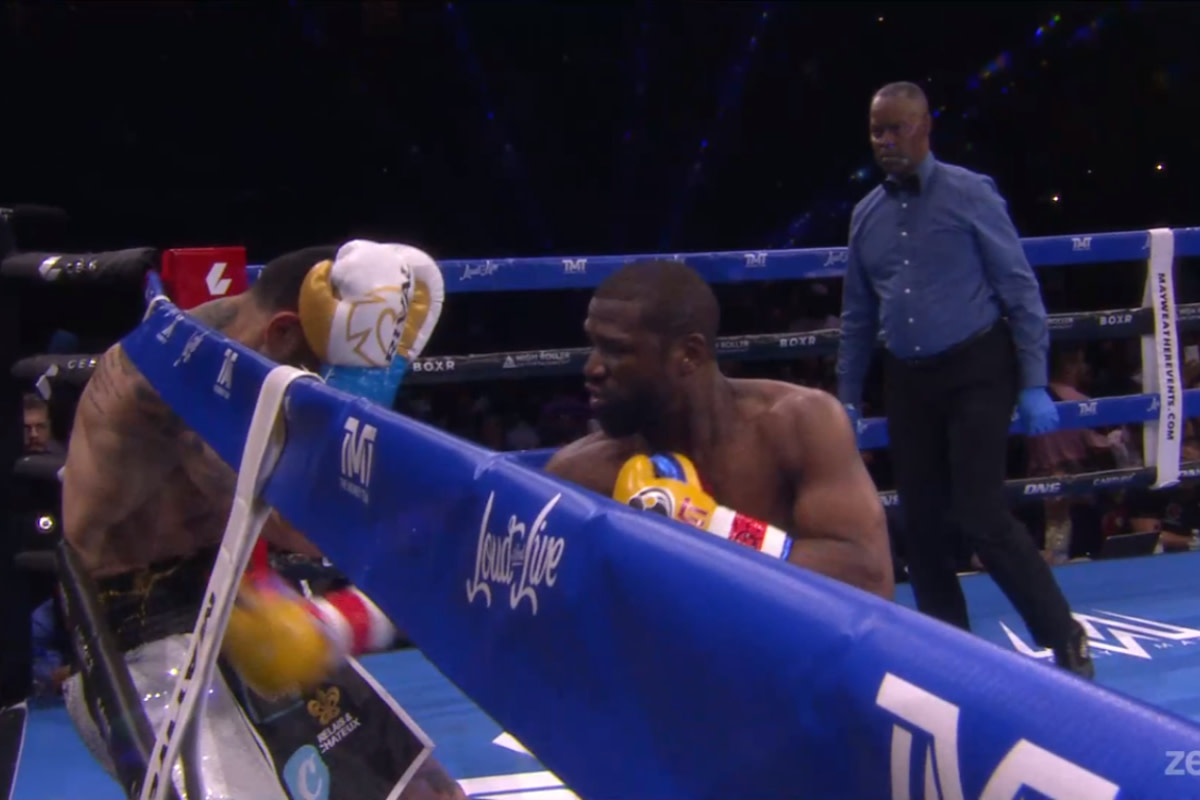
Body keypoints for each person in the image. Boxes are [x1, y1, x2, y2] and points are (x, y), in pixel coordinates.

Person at [60, 244, 465, 799]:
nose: (319, 395)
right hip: (140, 639)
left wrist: (377, 368)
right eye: (319, 377)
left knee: (427, 794)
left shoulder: (239, 339)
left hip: (239, 609)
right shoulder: (179, 385)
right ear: (281, 333)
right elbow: (308, 524)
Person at [834, 81, 1093, 677]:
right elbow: (857, 316)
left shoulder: (970, 194)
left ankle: (1065, 637)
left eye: (897, 128)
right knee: (921, 524)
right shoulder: (865, 216)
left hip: (978, 367)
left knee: (980, 513)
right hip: (907, 377)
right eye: (877, 130)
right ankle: (951, 660)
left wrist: (1034, 378)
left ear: (925, 126)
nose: (886, 141)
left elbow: (1019, 288)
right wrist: (844, 399)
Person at [546, 259, 894, 600]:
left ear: (689, 354)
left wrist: (712, 526)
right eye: (593, 344)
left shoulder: (798, 425)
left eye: (617, 349)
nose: (592, 368)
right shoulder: (580, 475)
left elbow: (869, 577)